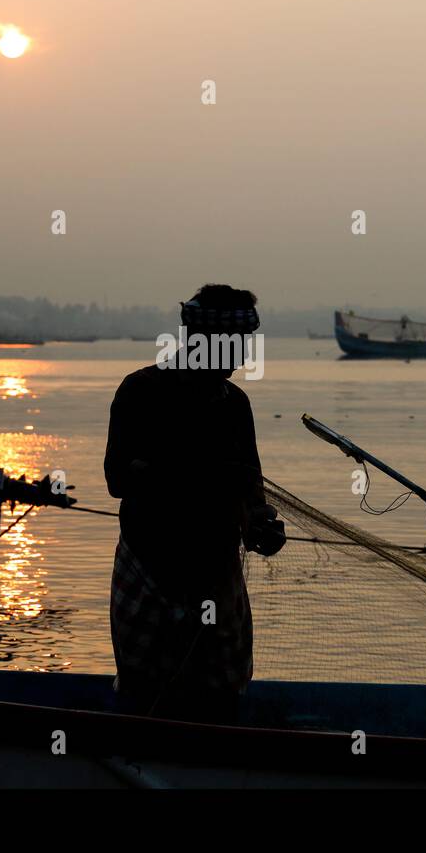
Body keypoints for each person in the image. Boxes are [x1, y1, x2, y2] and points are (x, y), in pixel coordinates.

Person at [104, 284, 285, 722]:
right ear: (200, 340)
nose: (241, 358)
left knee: (220, 698)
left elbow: (250, 489)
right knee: (146, 694)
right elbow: (116, 479)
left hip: (217, 576)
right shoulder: (142, 391)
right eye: (234, 345)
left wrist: (262, 526)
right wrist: (179, 475)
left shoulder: (235, 405)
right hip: (151, 570)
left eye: (244, 345)